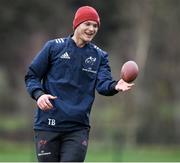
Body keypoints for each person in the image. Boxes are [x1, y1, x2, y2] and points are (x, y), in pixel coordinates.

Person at [25, 5, 134, 162]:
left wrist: (115, 86)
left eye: (95, 25)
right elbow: (32, 76)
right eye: (87, 24)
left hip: (77, 128)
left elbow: (103, 85)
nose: (92, 29)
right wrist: (39, 95)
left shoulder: (99, 56)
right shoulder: (53, 47)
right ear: (76, 24)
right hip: (47, 126)